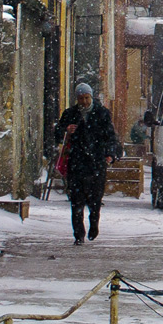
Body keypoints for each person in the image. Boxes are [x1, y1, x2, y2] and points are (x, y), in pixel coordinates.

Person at [54, 83, 120, 245]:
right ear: (76, 99)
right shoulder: (70, 114)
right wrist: (65, 130)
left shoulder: (102, 114)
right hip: (76, 163)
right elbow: (57, 134)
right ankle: (78, 234)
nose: (84, 102)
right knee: (76, 201)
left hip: (96, 163)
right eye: (81, 99)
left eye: (86, 98)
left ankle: (94, 224)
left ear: (91, 97)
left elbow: (110, 136)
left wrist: (110, 154)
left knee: (95, 199)